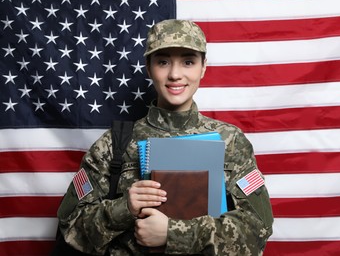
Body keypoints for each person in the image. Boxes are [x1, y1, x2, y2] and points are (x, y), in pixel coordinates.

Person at [56, 19, 273, 255]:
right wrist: (124, 208)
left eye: (188, 61)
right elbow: (71, 226)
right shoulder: (113, 145)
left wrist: (174, 233)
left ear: (203, 67)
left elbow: (258, 228)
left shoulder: (231, 142)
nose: (175, 74)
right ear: (149, 68)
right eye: (163, 62)